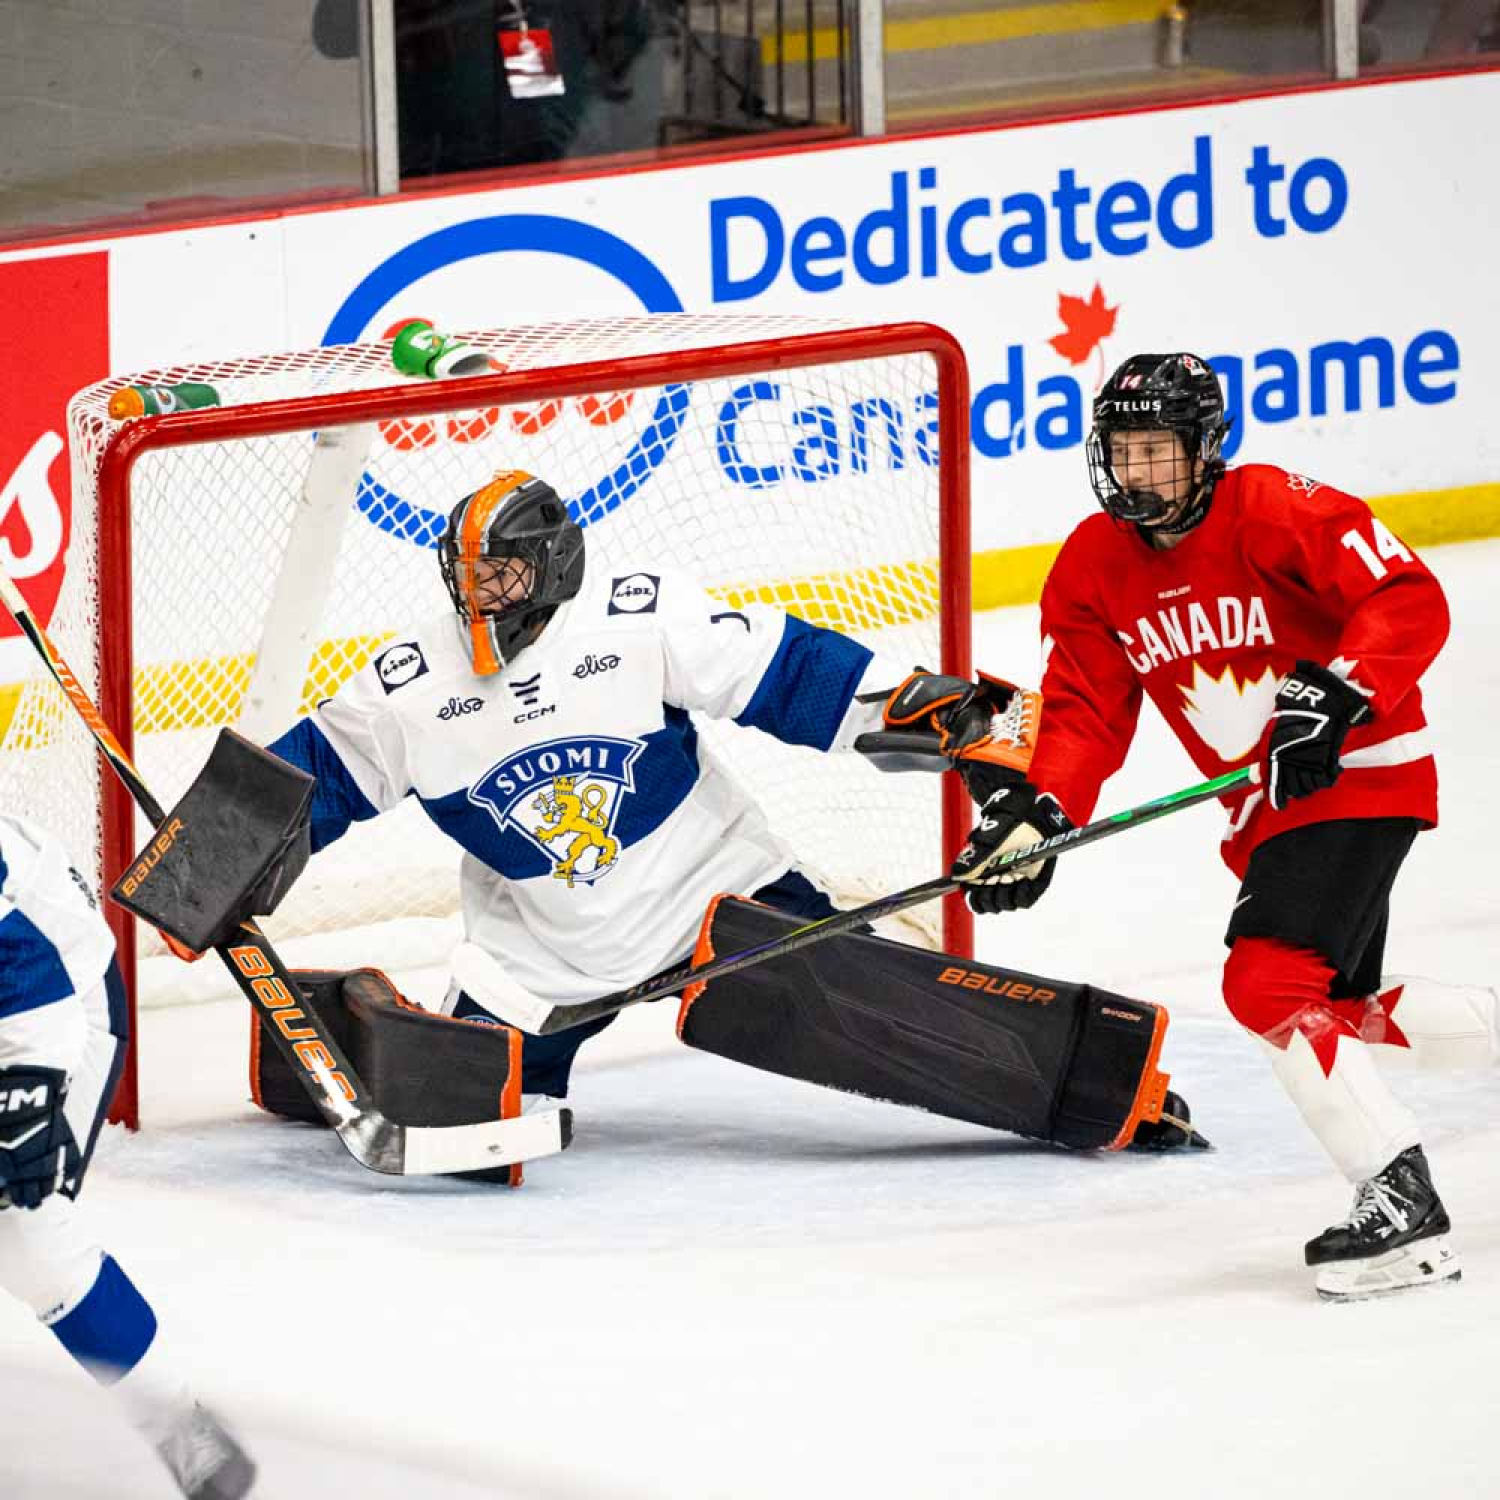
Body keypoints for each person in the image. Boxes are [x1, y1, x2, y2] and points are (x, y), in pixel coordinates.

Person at [264, 469, 1199, 1147]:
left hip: (719, 898)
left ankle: (1116, 1089)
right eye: (466, 579)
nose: (481, 599)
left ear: (550, 569)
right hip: (539, 958)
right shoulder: (408, 683)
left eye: (501, 578)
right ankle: (348, 1016)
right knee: (461, 1132)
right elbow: (310, 779)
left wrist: (967, 729)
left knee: (901, 1018)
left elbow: (796, 676)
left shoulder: (639, 620)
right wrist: (216, 848)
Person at [950, 350, 1496, 1299]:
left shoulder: (1281, 509)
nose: (1137, 473)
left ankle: (1402, 1206)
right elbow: (1083, 711)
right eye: (1121, 451)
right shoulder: (1089, 565)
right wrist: (1043, 812)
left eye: (1158, 450)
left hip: (1359, 774)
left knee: (1267, 980)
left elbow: (1405, 597)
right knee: (1341, 1009)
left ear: (1206, 449)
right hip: (1265, 811)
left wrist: (1341, 688)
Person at [0, 812, 256, 1498]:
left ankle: (183, 1429)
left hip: (53, 1012)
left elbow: (26, 954)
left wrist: (25, 1087)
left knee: (24, 1229)